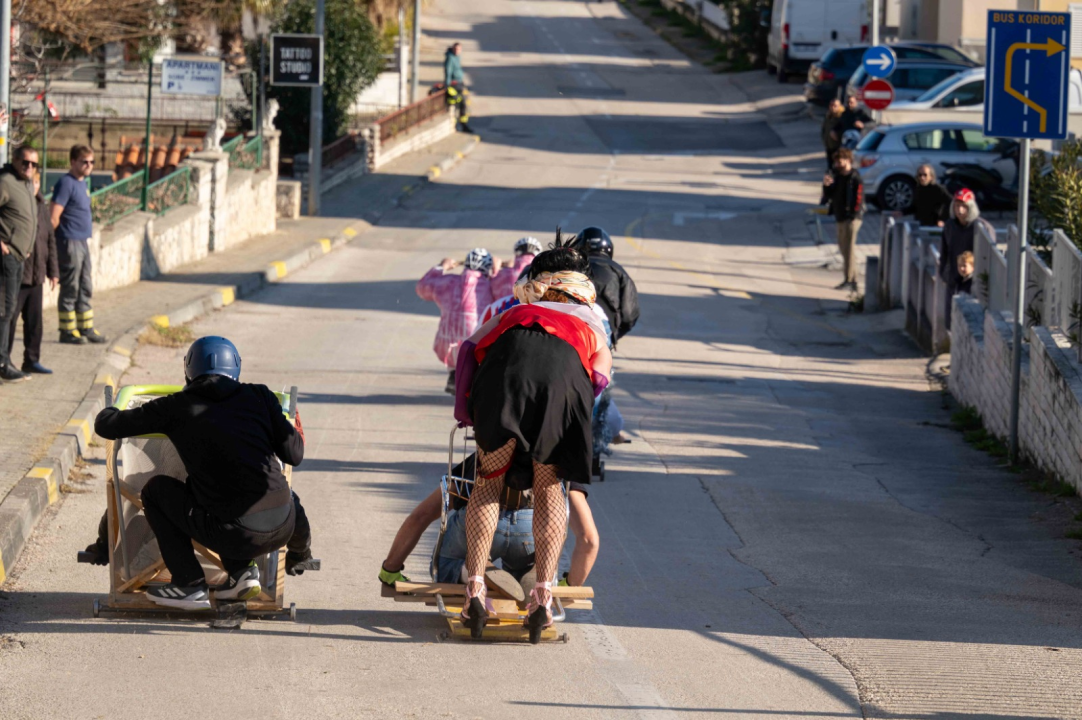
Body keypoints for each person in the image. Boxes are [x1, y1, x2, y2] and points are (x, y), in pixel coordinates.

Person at [453, 234, 612, 642]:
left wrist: (468, 411)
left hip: (504, 376)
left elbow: (469, 350)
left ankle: (474, 586)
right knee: (548, 488)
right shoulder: (592, 319)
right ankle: (541, 598)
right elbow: (598, 380)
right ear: (581, 285)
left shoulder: (516, 310)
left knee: (488, 483)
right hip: (564, 383)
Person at [92, 336, 310, 609]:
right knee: (256, 493)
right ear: (236, 367)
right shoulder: (261, 396)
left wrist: (115, 405)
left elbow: (107, 425)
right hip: (283, 526)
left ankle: (188, 583)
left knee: (157, 490)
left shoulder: (177, 406)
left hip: (233, 533)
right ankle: (245, 573)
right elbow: (295, 455)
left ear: (189, 370)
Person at [378, 455, 600, 591]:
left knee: (443, 566)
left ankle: (471, 571)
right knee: (536, 554)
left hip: (481, 525)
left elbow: (422, 515)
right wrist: (570, 585)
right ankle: (535, 577)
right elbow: (589, 540)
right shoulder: (557, 466)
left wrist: (391, 568)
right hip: (531, 529)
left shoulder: (486, 458)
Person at [416, 248, 496, 394]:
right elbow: (510, 288)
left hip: (446, 342)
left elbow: (422, 288)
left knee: (455, 346)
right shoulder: (491, 285)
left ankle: (453, 374)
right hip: (475, 341)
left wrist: (441, 267)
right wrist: (497, 272)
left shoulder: (448, 282)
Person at [52, 145, 106, 345]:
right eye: (84, 161)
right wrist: (51, 244)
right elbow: (54, 216)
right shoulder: (66, 183)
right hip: (69, 241)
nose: (89, 165)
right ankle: (66, 331)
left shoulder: (83, 183)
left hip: (82, 241)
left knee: (85, 286)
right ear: (73, 162)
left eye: (91, 162)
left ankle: (86, 328)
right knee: (70, 287)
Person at [7, 171, 58, 375]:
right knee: (9, 321)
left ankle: (32, 360)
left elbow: (50, 240)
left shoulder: (42, 207)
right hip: (18, 274)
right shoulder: (16, 205)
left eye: (36, 182)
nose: (33, 186)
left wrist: (53, 272)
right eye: (29, 182)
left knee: (35, 322)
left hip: (37, 276)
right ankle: (5, 362)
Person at [0, 145, 40, 383]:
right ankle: (2, 363)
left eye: (34, 164)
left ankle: (5, 359)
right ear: (14, 160)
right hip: (6, 257)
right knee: (4, 311)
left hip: (18, 257)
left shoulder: (26, 183)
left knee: (9, 310)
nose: (29, 167)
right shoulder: (5, 181)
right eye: (25, 162)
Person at [571, 226, 640, 348]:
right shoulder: (618, 271)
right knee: (602, 365)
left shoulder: (569, 268)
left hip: (569, 323)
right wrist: (613, 334)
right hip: (602, 327)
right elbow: (629, 315)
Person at [940, 189, 994, 329]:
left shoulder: (983, 228)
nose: (960, 210)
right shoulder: (950, 226)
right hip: (954, 281)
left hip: (975, 283)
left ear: (971, 207)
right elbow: (944, 252)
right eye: (957, 206)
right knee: (952, 323)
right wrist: (944, 274)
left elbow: (991, 256)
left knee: (972, 323)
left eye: (964, 206)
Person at [821, 148, 864, 291]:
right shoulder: (837, 176)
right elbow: (829, 195)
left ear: (848, 160)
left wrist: (853, 215)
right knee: (843, 249)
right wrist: (826, 185)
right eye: (836, 162)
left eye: (840, 162)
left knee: (849, 248)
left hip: (852, 218)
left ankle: (850, 280)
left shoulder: (855, 177)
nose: (837, 164)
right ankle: (853, 279)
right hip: (839, 216)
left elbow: (859, 199)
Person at [910, 164, 952, 228]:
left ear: (931, 176)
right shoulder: (917, 189)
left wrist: (942, 219)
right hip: (920, 223)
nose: (922, 178)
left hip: (935, 224)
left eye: (925, 175)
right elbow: (915, 206)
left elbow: (951, 202)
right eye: (920, 175)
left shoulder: (938, 189)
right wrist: (902, 212)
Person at [444, 43, 472, 133]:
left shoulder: (457, 57)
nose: (457, 51)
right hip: (453, 85)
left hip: (460, 84)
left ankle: (463, 124)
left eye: (459, 49)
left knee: (464, 103)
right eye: (455, 49)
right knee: (455, 104)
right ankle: (456, 125)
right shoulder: (450, 58)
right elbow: (448, 71)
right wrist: (447, 85)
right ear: (452, 49)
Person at [821, 98, 844, 169]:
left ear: (839, 106)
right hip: (829, 146)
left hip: (838, 147)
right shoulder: (828, 116)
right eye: (831, 105)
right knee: (830, 166)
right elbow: (824, 129)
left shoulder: (842, 117)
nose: (832, 107)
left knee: (838, 167)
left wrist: (838, 137)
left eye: (835, 105)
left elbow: (844, 131)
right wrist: (824, 140)